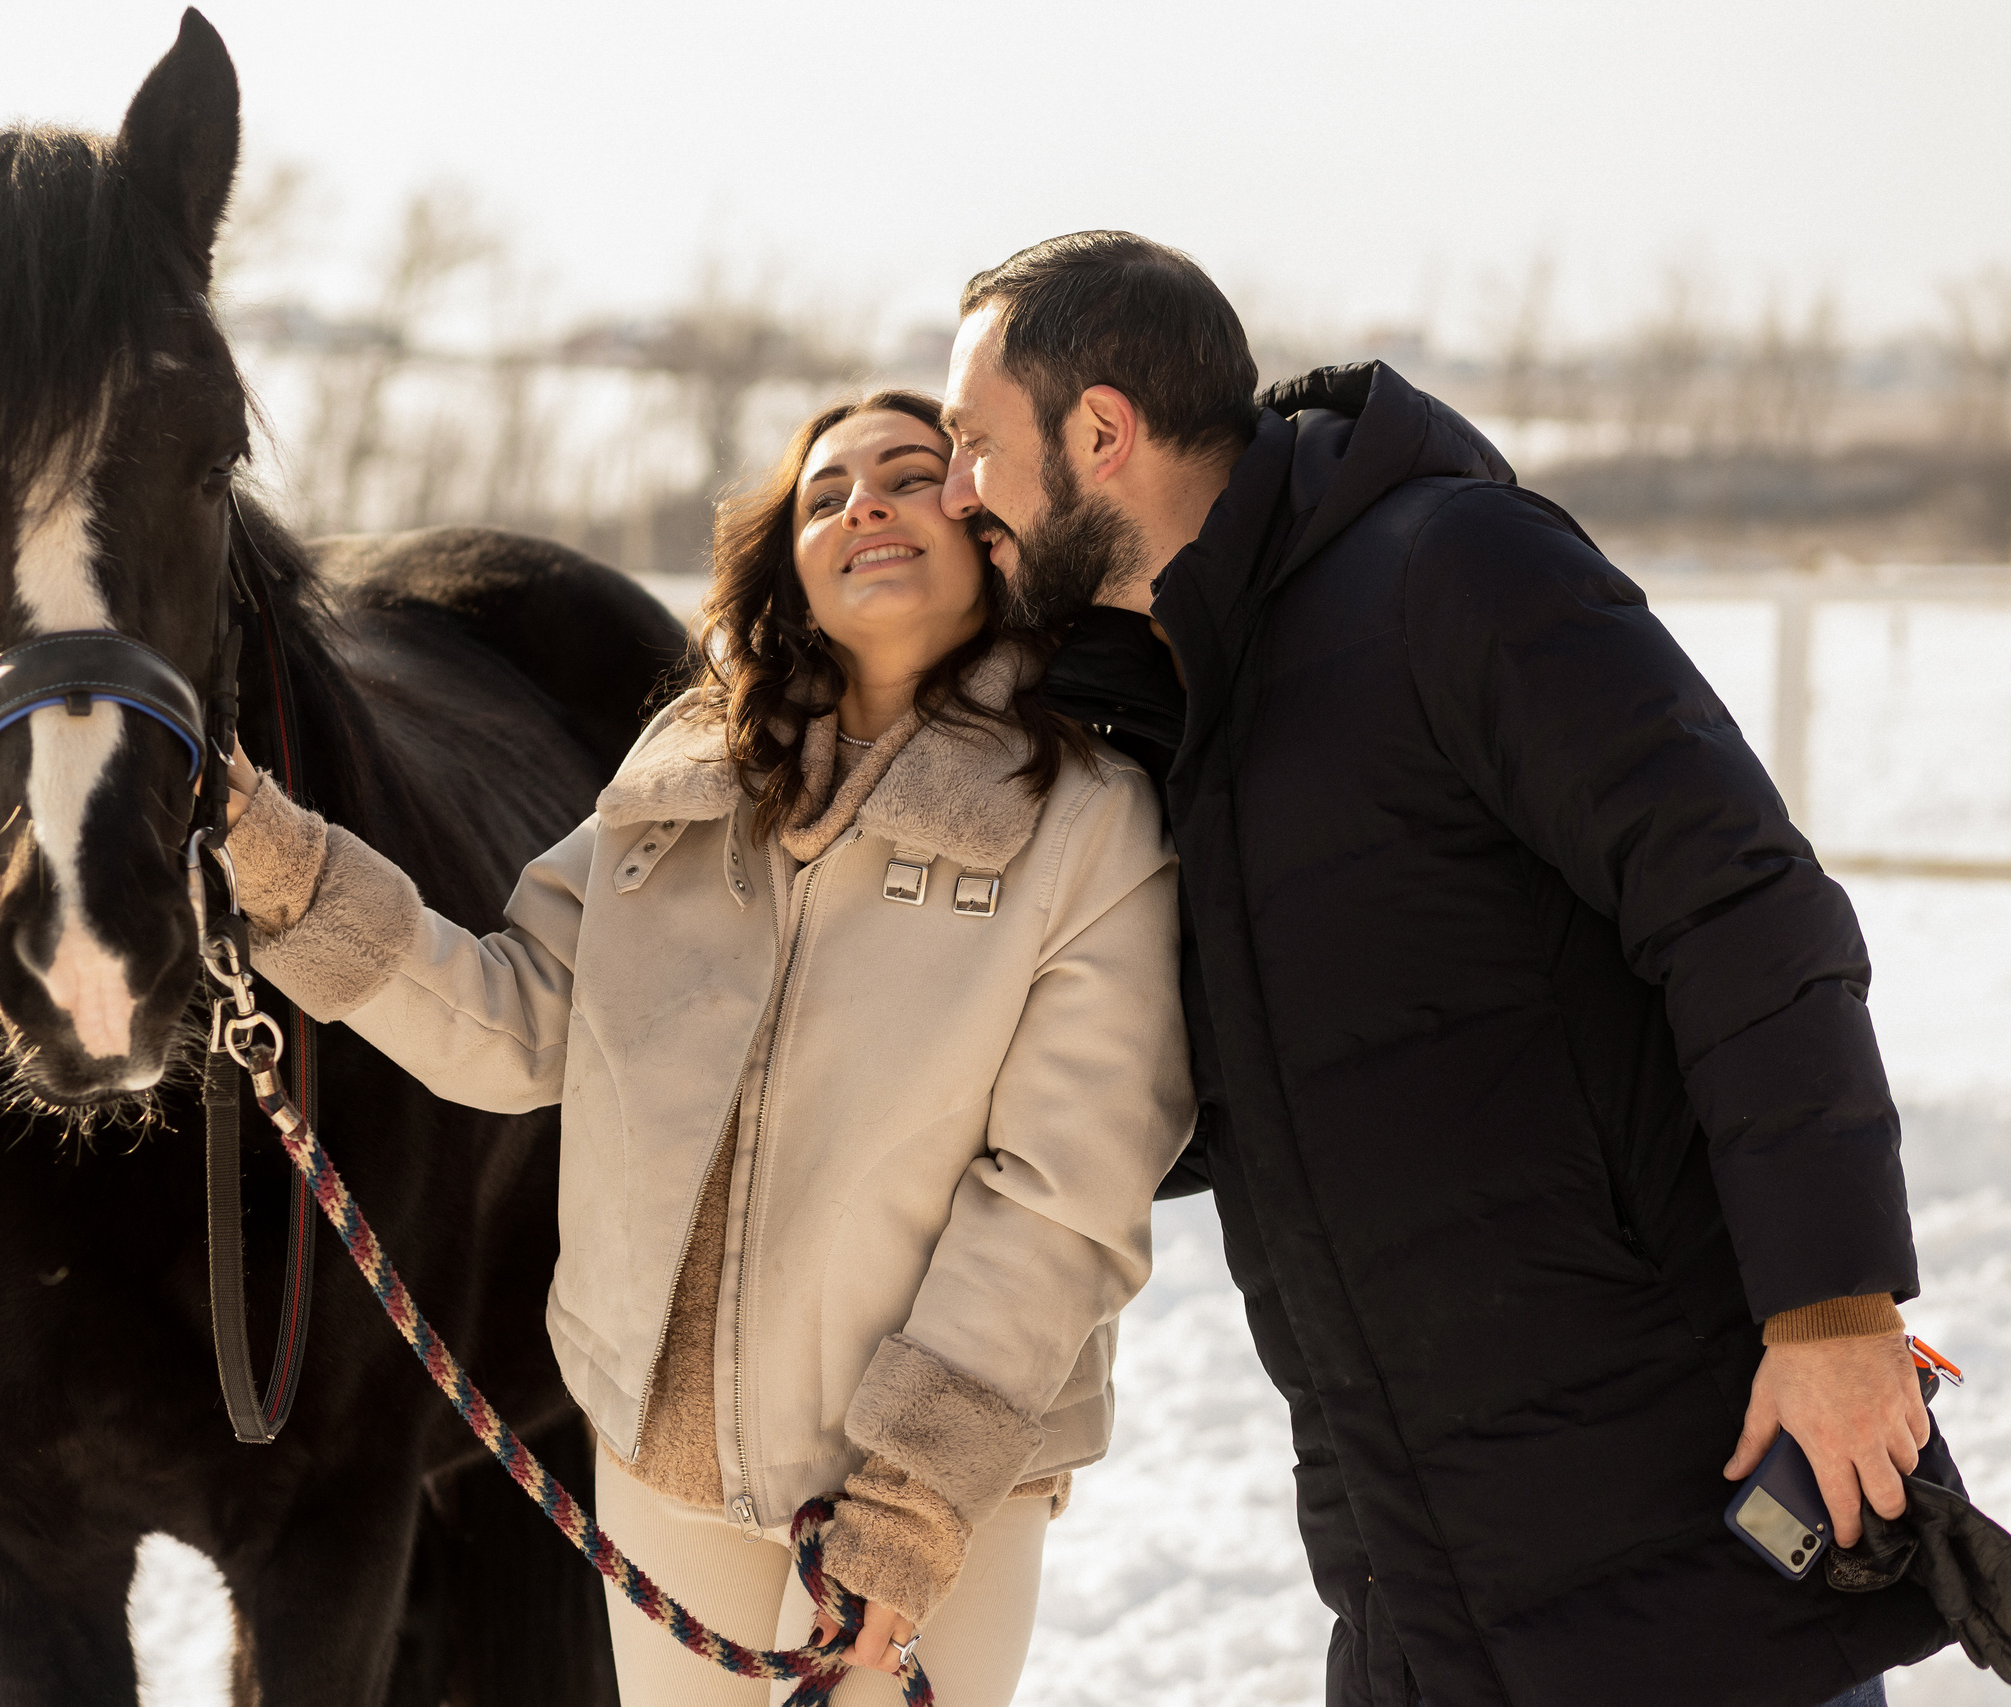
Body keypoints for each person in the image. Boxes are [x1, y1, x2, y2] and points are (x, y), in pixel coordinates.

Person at [936, 231, 1961, 1707]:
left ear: (1102, 432)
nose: (958, 491)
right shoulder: (1172, 716)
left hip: (1674, 1535)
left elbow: (1745, 912)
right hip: (1415, 1579)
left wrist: (1834, 1311)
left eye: (973, 442)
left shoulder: (1453, 572)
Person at [218, 390, 1195, 1705]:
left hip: (913, 1484)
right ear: (789, 559)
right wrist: (290, 873)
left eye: (909, 474)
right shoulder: (686, 774)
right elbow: (514, 1021)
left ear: (987, 530)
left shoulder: (1084, 817)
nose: (864, 504)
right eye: (825, 494)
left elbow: (1061, 1198)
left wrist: (911, 1499)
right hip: (664, 1465)